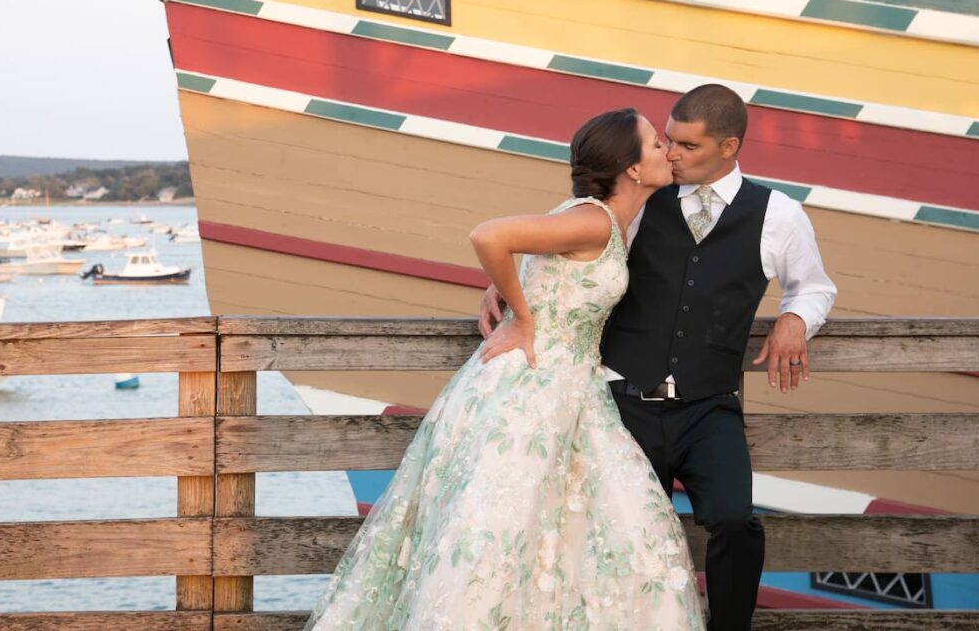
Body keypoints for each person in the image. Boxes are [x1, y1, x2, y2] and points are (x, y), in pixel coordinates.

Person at [307, 109, 707, 630]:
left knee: (599, 528)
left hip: (573, 393)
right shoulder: (591, 219)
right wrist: (521, 313)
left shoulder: (600, 219)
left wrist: (513, 285)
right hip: (531, 391)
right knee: (501, 534)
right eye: (656, 144)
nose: (667, 152)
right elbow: (489, 235)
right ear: (631, 168)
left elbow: (547, 267)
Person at [480, 84, 836, 631]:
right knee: (609, 528)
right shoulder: (643, 198)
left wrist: (795, 319)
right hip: (624, 403)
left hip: (707, 407)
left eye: (687, 146)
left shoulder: (778, 216)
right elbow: (569, 250)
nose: (670, 153)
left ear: (729, 146)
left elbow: (813, 288)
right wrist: (508, 288)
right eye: (666, 141)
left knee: (735, 521)